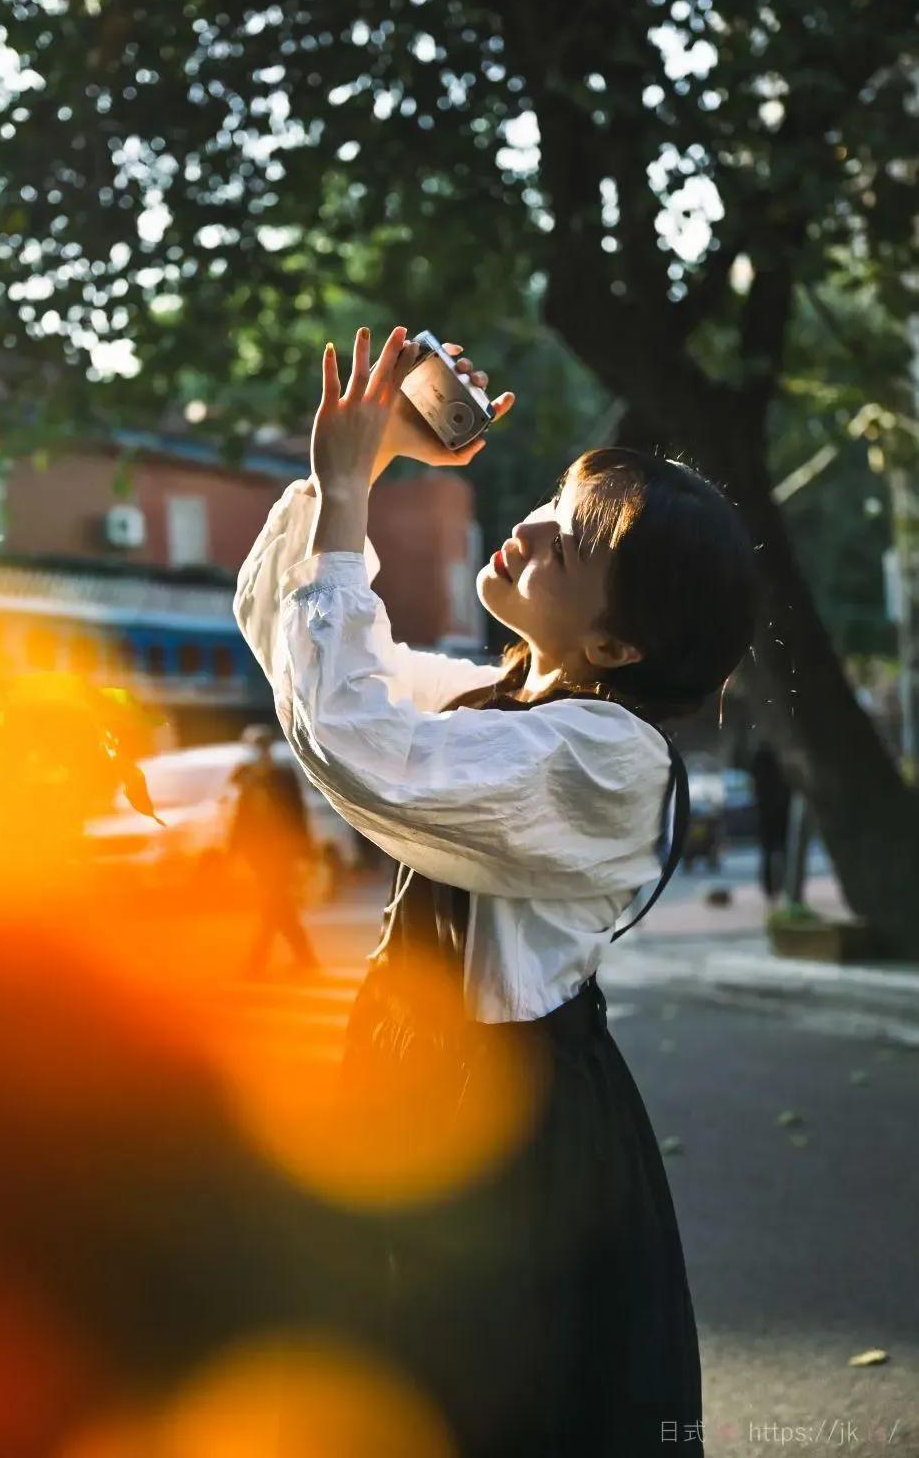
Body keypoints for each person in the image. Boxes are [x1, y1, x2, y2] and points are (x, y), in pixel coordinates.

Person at [233, 325, 759, 1455]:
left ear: (618, 639)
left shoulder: (603, 760)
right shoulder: (497, 705)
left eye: (572, 541)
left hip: (508, 1133)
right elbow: (304, 662)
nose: (531, 526)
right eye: (555, 505)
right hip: (424, 1088)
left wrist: (346, 494)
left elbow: (355, 738)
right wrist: (366, 470)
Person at [230, 731, 321, 976]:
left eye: (264, 748)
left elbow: (297, 813)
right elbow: (241, 817)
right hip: (258, 853)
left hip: (282, 851)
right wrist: (234, 851)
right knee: (278, 905)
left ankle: (257, 962)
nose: (261, 754)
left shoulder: (283, 776)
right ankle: (304, 957)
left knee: (272, 903)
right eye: (256, 749)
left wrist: (306, 851)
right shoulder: (246, 777)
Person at [748, 737, 792, 905]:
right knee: (780, 849)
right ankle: (781, 886)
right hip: (779, 810)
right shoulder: (780, 760)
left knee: (768, 851)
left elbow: (754, 785)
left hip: (766, 810)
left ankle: (771, 888)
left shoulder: (761, 761)